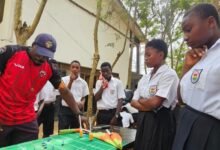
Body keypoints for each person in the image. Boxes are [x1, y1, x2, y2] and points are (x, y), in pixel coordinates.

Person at [0, 33, 85, 147]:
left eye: (46, 55)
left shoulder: (50, 67)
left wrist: (78, 113)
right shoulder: (11, 52)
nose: (42, 58)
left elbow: (64, 91)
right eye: (40, 53)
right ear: (33, 45)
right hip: (3, 116)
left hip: (26, 119)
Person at [172, 3, 220, 150]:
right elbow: (181, 99)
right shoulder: (200, 57)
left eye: (189, 30)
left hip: (209, 133)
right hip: (185, 126)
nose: (185, 38)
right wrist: (187, 67)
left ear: (210, 22)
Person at [131, 39, 179, 150]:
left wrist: (143, 101)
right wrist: (148, 104)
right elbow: (133, 102)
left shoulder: (169, 75)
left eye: (148, 55)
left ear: (161, 55)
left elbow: (155, 103)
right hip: (143, 120)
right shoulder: (145, 77)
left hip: (160, 122)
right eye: (145, 55)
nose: (145, 58)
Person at [58, 60, 89, 130]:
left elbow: (84, 97)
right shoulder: (63, 80)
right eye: (73, 67)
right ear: (70, 68)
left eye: (77, 67)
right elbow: (64, 93)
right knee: (63, 131)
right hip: (65, 110)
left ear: (79, 69)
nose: (75, 69)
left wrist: (82, 103)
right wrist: (71, 81)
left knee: (76, 131)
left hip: (77, 111)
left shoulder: (83, 83)